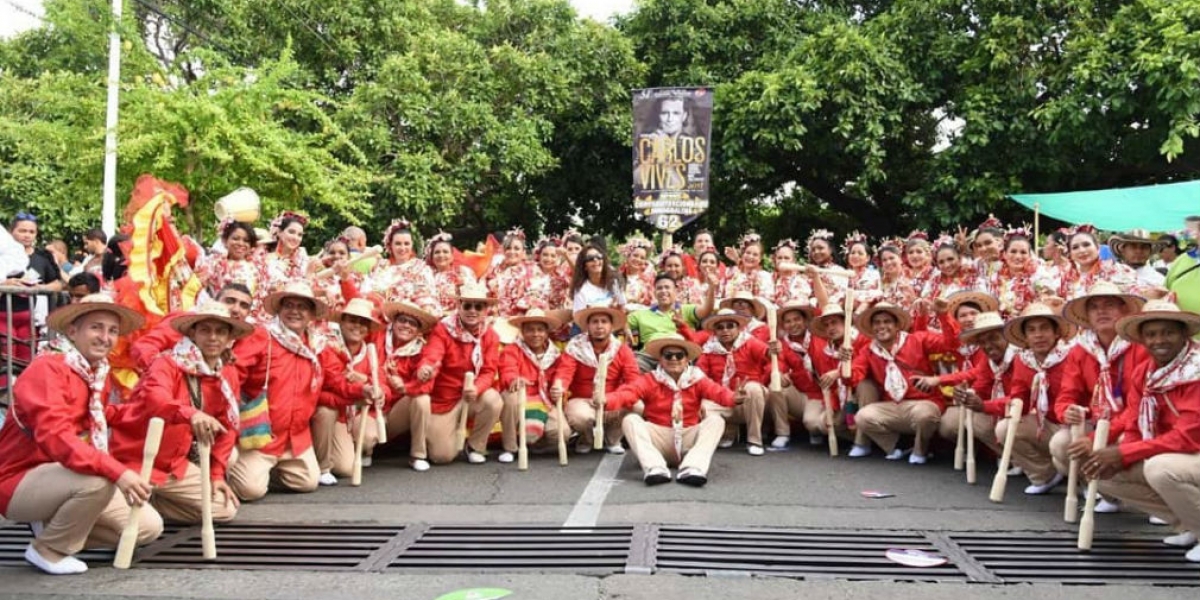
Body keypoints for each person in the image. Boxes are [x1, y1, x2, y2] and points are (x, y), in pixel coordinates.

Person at [0, 295, 160, 575]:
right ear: (72, 331)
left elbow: (100, 414)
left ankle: (54, 531)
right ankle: (47, 550)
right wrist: (118, 472)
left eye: (112, 330)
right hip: (17, 480)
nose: (105, 338)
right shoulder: (48, 367)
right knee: (100, 480)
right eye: (96, 327)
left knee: (146, 528)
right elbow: (56, 435)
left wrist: (159, 412)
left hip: (65, 474)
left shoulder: (95, 371)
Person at [1070, 299, 1200, 562]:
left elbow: (1188, 436)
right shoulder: (1145, 371)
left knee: (1160, 469)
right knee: (1102, 474)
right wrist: (1121, 454)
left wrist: (1125, 452)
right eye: (1151, 334)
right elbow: (1135, 425)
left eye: (1168, 332)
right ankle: (1190, 525)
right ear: (1142, 339)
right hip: (1176, 453)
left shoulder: (1195, 369)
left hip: (1189, 451)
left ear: (1184, 334)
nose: (1159, 340)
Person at [229, 282, 376, 500]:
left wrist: (362, 389)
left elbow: (335, 379)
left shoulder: (317, 344)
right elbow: (234, 373)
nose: (295, 311)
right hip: (260, 434)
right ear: (279, 309)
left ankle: (267, 472)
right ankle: (237, 468)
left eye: (302, 307)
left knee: (307, 482)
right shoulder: (262, 336)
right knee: (250, 490)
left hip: (296, 436)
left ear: (311, 315)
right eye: (289, 305)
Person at [111, 301, 250, 525]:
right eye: (205, 330)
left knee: (225, 509)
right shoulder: (167, 362)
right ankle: (134, 502)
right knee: (144, 527)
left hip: (174, 465)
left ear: (229, 339)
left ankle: (152, 504)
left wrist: (216, 475)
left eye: (220, 331)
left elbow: (229, 425)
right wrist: (191, 414)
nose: (213, 337)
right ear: (192, 333)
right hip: (136, 459)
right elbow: (157, 400)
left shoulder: (228, 373)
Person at [1048, 281, 1149, 512]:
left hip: (1134, 424)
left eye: (1109, 305)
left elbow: (1138, 407)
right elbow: (1065, 397)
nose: (1101, 311)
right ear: (1087, 316)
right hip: (1098, 422)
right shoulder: (1079, 350)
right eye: (1094, 307)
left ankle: (1157, 504)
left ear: (1124, 311)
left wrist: (1095, 438)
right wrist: (1069, 411)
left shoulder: (1140, 348)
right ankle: (1108, 494)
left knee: (1126, 443)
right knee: (1062, 444)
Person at [607, 334, 737, 486]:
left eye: (679, 355)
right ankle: (655, 467)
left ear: (686, 359)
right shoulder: (650, 379)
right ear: (660, 360)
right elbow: (629, 393)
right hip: (659, 436)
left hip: (688, 435)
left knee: (716, 421)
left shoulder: (697, 378)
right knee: (631, 420)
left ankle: (693, 467)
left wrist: (735, 398)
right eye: (668, 355)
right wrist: (607, 400)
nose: (674, 359)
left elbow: (719, 393)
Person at [846, 301, 960, 464]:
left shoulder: (917, 339)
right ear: (871, 328)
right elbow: (853, 378)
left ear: (897, 325)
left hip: (923, 403)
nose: (881, 326)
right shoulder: (868, 350)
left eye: (887, 322)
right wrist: (845, 364)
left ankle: (921, 450)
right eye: (877, 323)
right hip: (892, 406)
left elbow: (951, 345)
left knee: (924, 415)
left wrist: (943, 314)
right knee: (863, 417)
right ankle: (898, 446)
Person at [415, 283, 504, 464]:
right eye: (467, 305)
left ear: (485, 310)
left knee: (494, 400)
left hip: (471, 395)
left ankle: (475, 446)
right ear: (459, 306)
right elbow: (432, 354)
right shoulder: (443, 329)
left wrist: (476, 388)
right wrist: (427, 367)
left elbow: (488, 371)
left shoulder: (491, 335)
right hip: (445, 398)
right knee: (441, 457)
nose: (473, 311)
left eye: (478, 306)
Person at [993, 303, 1076, 495]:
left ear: (1056, 333)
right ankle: (1044, 475)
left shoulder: (1072, 354)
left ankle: (1089, 483)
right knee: (1005, 427)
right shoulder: (1023, 360)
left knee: (1063, 442)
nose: (1038, 335)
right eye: (1031, 330)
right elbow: (1018, 396)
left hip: (1075, 423)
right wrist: (1010, 406)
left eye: (1044, 328)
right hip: (1045, 423)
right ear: (1025, 337)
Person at [310, 298, 386, 485]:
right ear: (342, 322)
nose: (357, 326)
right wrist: (361, 390)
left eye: (363, 323)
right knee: (326, 411)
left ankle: (355, 450)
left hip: (356, 413)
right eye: (352, 320)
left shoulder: (369, 352)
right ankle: (322, 465)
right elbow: (334, 381)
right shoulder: (327, 347)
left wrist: (376, 389)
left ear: (368, 329)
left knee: (345, 468)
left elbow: (383, 384)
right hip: (335, 412)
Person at [555, 305, 640, 453]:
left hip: (611, 401)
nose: (599, 326)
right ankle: (586, 439)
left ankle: (612, 439)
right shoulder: (575, 347)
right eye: (594, 322)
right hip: (583, 400)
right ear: (587, 326)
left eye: (604, 321)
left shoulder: (622, 349)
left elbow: (633, 383)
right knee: (580, 416)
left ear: (611, 326)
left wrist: (610, 399)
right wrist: (558, 386)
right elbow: (564, 372)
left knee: (638, 405)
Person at [128, 283, 256, 372]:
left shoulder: (247, 340)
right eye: (229, 301)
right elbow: (143, 347)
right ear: (214, 301)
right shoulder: (185, 321)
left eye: (244, 306)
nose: (235, 309)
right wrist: (166, 370)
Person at [696, 309, 771, 455]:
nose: (725, 330)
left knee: (753, 389)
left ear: (738, 328)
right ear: (715, 331)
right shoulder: (708, 351)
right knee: (702, 406)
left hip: (748, 400)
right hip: (722, 400)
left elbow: (768, 354)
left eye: (730, 326)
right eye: (720, 327)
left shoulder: (750, 342)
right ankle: (728, 430)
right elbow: (700, 379)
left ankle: (754, 439)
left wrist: (774, 349)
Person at [498, 309, 564, 462]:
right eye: (530, 330)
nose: (535, 334)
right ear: (522, 332)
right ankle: (510, 447)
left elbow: (561, 377)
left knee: (562, 433)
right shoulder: (512, 350)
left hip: (544, 401)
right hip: (522, 397)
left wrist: (559, 389)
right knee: (510, 397)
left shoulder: (555, 354)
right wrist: (514, 379)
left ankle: (533, 443)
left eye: (540, 330)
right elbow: (507, 370)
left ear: (547, 332)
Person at [2, 213, 62, 379]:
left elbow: (58, 283)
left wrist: (38, 287)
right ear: (11, 232)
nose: (27, 235)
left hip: (31, 319)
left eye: (31, 231)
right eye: (22, 231)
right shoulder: (3, 256)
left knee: (27, 363)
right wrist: (5, 283)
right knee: (5, 362)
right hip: (4, 315)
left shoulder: (43, 257)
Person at [379, 300, 437, 471]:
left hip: (394, 414)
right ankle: (366, 448)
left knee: (422, 399)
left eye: (412, 323)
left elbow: (426, 386)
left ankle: (418, 455)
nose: (406, 326)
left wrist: (404, 387)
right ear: (393, 322)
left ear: (418, 331)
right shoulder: (378, 337)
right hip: (371, 408)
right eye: (402, 320)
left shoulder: (421, 351)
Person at [625, 273, 715, 371]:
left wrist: (712, 287)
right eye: (659, 288)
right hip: (649, 357)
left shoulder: (685, 310)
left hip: (679, 355)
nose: (663, 291)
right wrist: (626, 330)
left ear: (676, 291)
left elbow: (707, 310)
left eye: (667, 287)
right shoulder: (640, 314)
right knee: (633, 368)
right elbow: (622, 323)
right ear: (654, 292)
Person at [771, 302, 825, 449]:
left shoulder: (819, 337)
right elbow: (780, 362)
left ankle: (814, 431)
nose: (793, 324)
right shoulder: (782, 344)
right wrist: (781, 373)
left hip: (820, 394)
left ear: (805, 321)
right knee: (775, 385)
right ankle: (782, 433)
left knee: (812, 423)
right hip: (799, 393)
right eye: (788, 321)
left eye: (797, 319)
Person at [368, 219, 439, 314]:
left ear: (411, 245)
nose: (402, 248)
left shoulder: (420, 268)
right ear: (390, 246)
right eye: (398, 244)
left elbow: (426, 293)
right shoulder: (382, 267)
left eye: (406, 244)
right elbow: (372, 291)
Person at [570, 243, 625, 311]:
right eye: (590, 258)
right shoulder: (581, 290)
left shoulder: (613, 281)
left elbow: (623, 308)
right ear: (584, 266)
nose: (595, 260)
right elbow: (578, 318)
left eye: (598, 256)